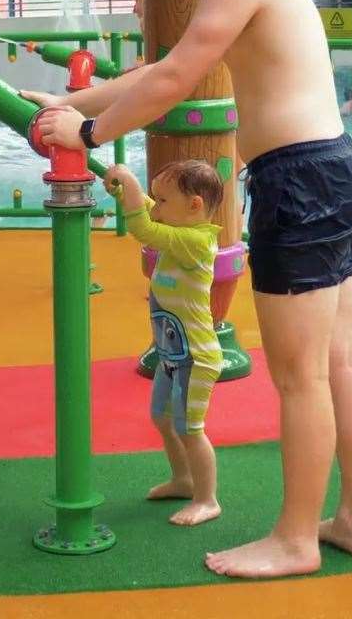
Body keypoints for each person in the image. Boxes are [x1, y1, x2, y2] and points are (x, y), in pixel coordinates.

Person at [21, 0, 352, 580]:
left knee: (302, 376)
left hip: (301, 181)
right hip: (335, 170)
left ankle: (294, 540)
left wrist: (85, 141)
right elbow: (158, 71)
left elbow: (172, 80)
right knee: (341, 359)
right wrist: (81, 103)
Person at [106, 159, 224, 527]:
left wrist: (130, 187)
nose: (156, 207)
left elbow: (142, 227)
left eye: (163, 201)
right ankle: (183, 479)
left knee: (191, 428)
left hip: (197, 357)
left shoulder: (196, 241)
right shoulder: (179, 228)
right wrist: (128, 192)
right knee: (161, 417)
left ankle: (207, 499)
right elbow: (147, 213)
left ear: (195, 206)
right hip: (172, 354)